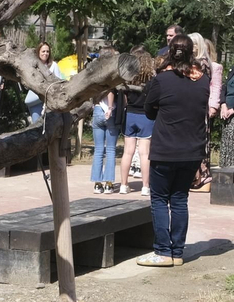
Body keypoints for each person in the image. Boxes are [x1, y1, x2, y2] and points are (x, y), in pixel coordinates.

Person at [137, 34, 210, 267]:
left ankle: (162, 252)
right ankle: (177, 253)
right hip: (193, 150)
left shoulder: (163, 80)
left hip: (165, 149)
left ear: (169, 51)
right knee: (180, 199)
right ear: (192, 53)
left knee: (159, 199)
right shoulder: (203, 79)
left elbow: (148, 110)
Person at [117, 45, 153, 194]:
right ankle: (145, 186)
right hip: (145, 116)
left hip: (130, 115)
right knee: (144, 153)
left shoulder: (128, 79)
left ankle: (124, 185)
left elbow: (124, 100)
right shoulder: (151, 80)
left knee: (127, 152)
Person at [90, 89, 119, 193]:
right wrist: (110, 107)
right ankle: (108, 184)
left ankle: (97, 184)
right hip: (110, 112)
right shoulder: (111, 78)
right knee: (110, 150)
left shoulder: (95, 80)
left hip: (97, 110)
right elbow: (110, 91)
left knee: (98, 150)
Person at [26, 41, 60, 123]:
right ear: (38, 52)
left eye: (47, 51)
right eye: (43, 51)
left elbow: (59, 82)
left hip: (49, 103)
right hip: (35, 101)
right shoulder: (33, 65)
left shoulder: (53, 65)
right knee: (36, 126)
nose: (45, 53)